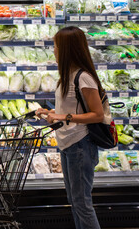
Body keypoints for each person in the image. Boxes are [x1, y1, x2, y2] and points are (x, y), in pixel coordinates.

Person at [36, 26, 103, 229]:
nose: (54, 50)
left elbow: (97, 115)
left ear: (67, 49)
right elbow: (69, 108)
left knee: (82, 203)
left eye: (56, 46)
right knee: (75, 201)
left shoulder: (83, 77)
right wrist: (50, 114)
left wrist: (62, 116)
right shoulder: (67, 74)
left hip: (80, 144)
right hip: (68, 144)